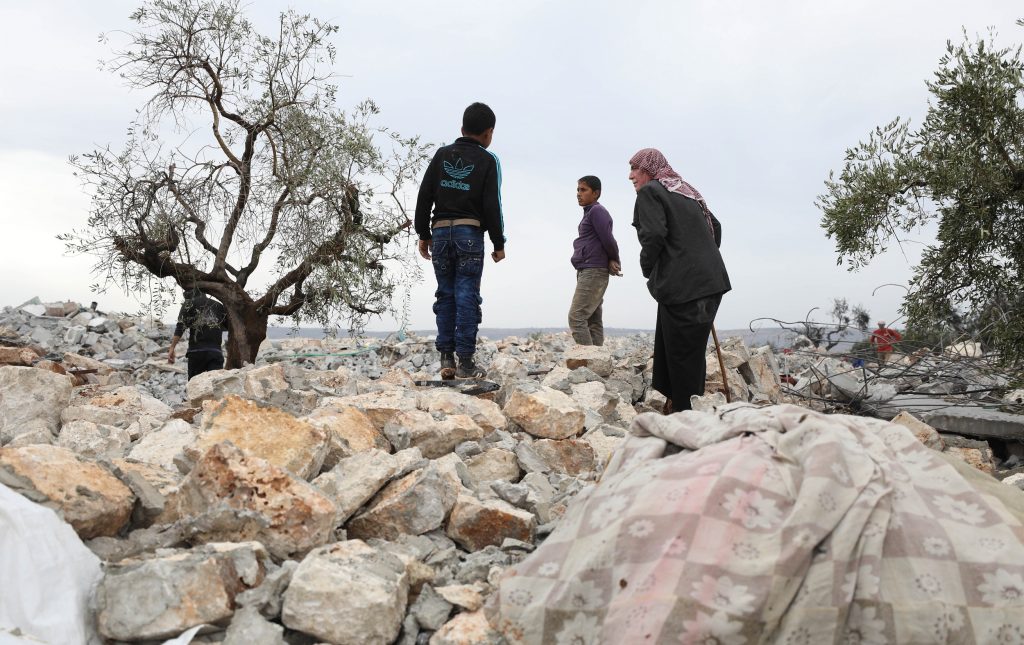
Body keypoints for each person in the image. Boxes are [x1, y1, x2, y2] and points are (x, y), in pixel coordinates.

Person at [629, 148, 731, 413]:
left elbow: (653, 235)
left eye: (635, 169)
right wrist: (700, 258)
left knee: (681, 354)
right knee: (685, 350)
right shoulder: (687, 191)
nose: (631, 176)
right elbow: (715, 228)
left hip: (685, 286)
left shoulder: (651, 192)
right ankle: (679, 403)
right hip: (709, 283)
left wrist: (648, 268)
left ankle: (685, 416)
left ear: (649, 170)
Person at [415, 102, 506, 379]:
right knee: (467, 295)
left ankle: (446, 359)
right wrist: (498, 242)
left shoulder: (442, 155)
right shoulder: (488, 160)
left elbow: (424, 195)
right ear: (489, 133)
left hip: (441, 233)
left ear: (462, 128)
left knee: (446, 293)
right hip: (469, 233)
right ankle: (466, 362)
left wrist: (423, 233)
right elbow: (493, 204)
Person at [568, 175, 621, 346]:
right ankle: (598, 362)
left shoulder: (598, 211)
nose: (578, 193)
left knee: (576, 317)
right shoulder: (590, 212)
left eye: (583, 190)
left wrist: (614, 258)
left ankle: (589, 362)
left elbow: (608, 239)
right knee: (592, 319)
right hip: (588, 269)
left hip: (593, 270)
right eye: (578, 189)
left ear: (596, 193)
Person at [167, 287, 228, 380]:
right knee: (216, 386)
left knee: (194, 386)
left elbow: (180, 327)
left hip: (196, 353)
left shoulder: (189, 304)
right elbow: (228, 327)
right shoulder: (218, 306)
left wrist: (172, 348)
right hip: (215, 352)